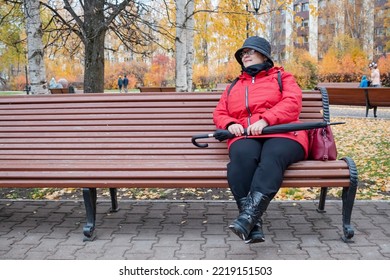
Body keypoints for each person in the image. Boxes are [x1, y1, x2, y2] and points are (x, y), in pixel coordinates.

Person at [213, 36, 309, 244]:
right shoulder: (234, 86)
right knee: (241, 157)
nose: (245, 55)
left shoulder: (283, 77)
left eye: (250, 51)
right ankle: (252, 224)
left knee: (272, 155)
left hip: (283, 132)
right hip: (247, 134)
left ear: (264, 55)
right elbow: (220, 112)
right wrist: (230, 124)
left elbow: (293, 103)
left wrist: (266, 119)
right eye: (242, 53)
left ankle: (248, 217)